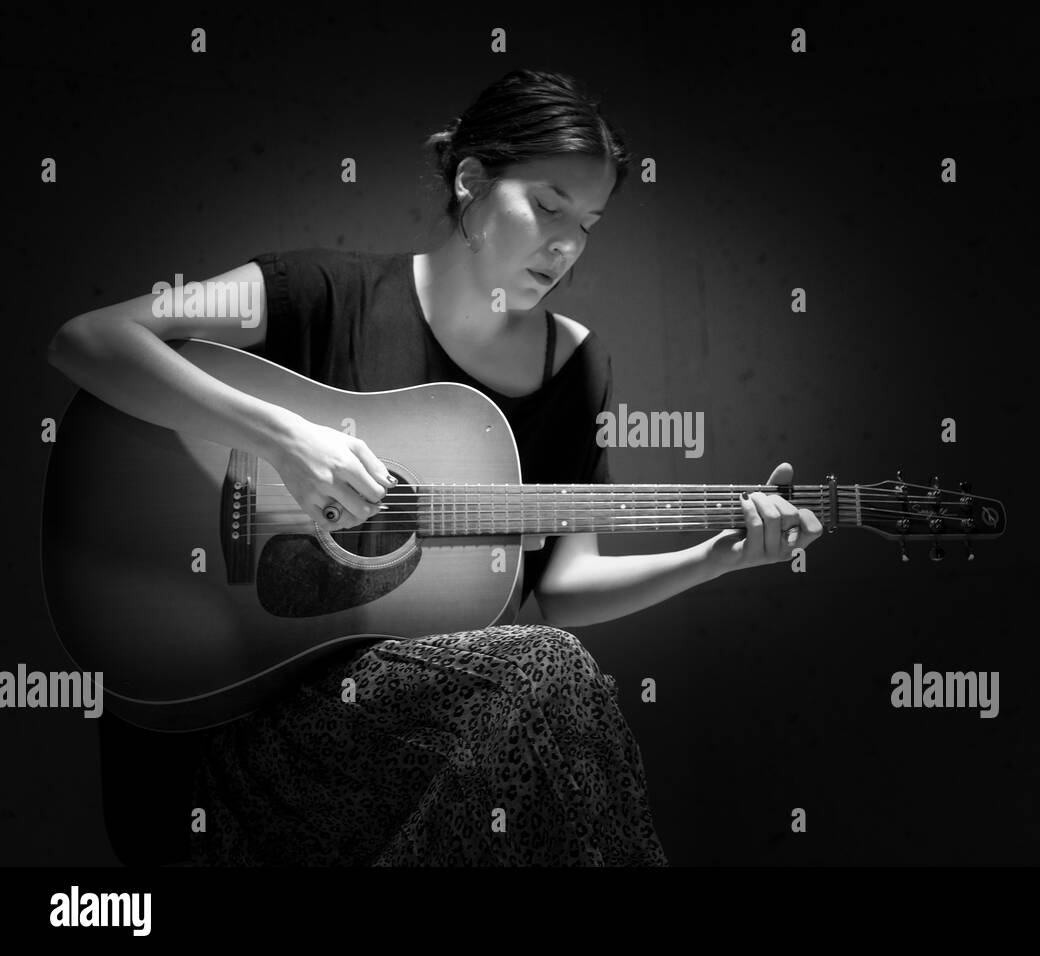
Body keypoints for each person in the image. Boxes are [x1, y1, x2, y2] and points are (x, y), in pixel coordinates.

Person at [45, 68, 823, 866]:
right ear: (471, 181)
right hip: (247, 724)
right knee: (539, 683)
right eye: (548, 205)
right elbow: (89, 340)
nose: (566, 244)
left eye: (588, 222)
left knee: (535, 694)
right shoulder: (316, 292)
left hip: (427, 728)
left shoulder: (576, 367)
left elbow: (559, 585)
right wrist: (283, 437)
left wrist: (712, 559)